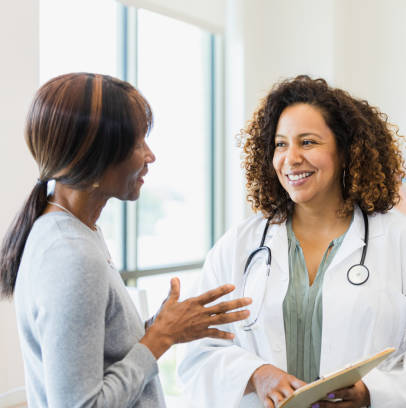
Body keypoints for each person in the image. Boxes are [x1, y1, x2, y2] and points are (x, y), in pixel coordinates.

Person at [178, 75, 406, 407]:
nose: (291, 158)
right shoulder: (240, 244)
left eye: (308, 142)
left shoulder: (402, 241)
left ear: (345, 151)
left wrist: (370, 392)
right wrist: (256, 374)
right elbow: (198, 350)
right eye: (280, 144)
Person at [0, 73, 251, 407]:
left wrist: (162, 327)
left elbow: (99, 353)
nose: (150, 156)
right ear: (95, 154)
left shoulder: (74, 230)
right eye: (137, 144)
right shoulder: (72, 255)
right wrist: (159, 338)